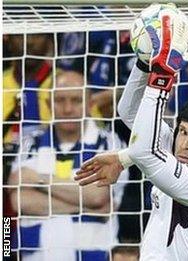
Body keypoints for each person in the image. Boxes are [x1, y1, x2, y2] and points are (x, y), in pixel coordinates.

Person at [74, 5, 188, 260]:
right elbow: (129, 112)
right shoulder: (181, 160)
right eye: (182, 132)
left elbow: (144, 151)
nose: (184, 144)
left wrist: (163, 74)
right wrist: (144, 62)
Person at [7, 70, 128, 260]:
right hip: (37, 254)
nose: (68, 108)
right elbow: (20, 201)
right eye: (60, 100)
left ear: (90, 104)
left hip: (92, 253)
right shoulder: (29, 144)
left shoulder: (110, 144)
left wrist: (38, 179)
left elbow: (98, 196)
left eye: (76, 100)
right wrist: (85, 207)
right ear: (48, 104)